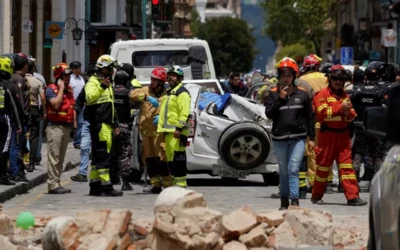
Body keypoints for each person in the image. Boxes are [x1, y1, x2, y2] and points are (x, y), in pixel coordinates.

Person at [311, 64, 367, 206]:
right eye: (335, 78)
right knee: (323, 167)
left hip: (343, 136)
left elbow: (352, 115)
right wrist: (340, 108)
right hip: (327, 136)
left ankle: (352, 197)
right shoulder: (322, 94)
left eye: (341, 79)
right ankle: (316, 196)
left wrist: (348, 113)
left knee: (347, 168)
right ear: (330, 79)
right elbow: (322, 114)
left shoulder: (344, 95)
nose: (338, 82)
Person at [265, 57, 315, 209]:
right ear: (279, 76)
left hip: (298, 138)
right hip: (279, 139)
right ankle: (284, 200)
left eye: (289, 75)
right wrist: (280, 99)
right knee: (284, 171)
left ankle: (295, 200)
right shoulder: (273, 94)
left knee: (294, 169)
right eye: (283, 75)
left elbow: (309, 117)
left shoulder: (303, 94)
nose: (286, 78)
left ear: (294, 76)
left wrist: (311, 138)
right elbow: (269, 113)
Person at [130, 67, 173, 194]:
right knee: (149, 160)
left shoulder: (168, 94)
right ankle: (155, 185)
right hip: (146, 133)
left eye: (154, 80)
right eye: (151, 79)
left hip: (160, 133)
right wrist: (146, 98)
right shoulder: (146, 91)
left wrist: (163, 117)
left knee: (162, 159)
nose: (151, 82)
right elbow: (131, 95)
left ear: (161, 82)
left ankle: (168, 185)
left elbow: (172, 111)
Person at [85, 55, 122, 197]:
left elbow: (111, 106)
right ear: (104, 68)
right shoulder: (93, 82)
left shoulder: (107, 83)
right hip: (99, 124)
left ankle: (94, 186)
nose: (112, 71)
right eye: (111, 68)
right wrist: (102, 87)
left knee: (97, 157)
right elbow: (89, 98)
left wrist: (115, 123)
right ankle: (106, 187)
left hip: (107, 124)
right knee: (103, 156)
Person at [351, 62, 387, 191]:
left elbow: (352, 107)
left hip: (360, 128)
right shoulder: (382, 91)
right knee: (377, 154)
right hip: (376, 129)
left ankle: (353, 181)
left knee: (358, 153)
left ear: (365, 76)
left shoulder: (358, 90)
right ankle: (375, 181)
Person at [299, 54, 331, 195]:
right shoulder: (327, 78)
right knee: (326, 150)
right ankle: (328, 181)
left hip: (311, 119)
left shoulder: (301, 80)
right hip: (327, 117)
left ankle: (314, 182)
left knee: (312, 152)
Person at [157, 65, 191, 187]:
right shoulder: (169, 93)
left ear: (180, 78)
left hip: (177, 133)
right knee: (171, 160)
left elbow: (184, 113)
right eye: (169, 75)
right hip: (168, 132)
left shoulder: (182, 93)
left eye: (174, 76)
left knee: (178, 159)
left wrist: (179, 129)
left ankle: (181, 185)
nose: (170, 78)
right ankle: (175, 184)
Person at [45, 63, 75, 194]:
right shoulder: (50, 89)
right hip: (55, 127)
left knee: (61, 158)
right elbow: (56, 105)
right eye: (66, 75)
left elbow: (72, 108)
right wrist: (61, 89)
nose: (68, 78)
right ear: (59, 76)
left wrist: (75, 127)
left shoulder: (70, 90)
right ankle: (52, 184)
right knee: (54, 157)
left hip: (66, 127)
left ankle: (56, 182)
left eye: (69, 75)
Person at [110, 70, 135, 190]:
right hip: (125, 127)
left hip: (111, 128)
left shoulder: (110, 91)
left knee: (112, 153)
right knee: (125, 154)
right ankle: (125, 183)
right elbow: (135, 106)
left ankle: (112, 179)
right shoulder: (129, 93)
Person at [0, 56, 22, 185]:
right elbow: (15, 107)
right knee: (4, 148)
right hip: (4, 119)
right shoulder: (9, 87)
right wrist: (19, 125)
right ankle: (3, 176)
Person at [9, 53, 30, 182]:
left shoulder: (15, 78)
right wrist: (22, 117)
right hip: (19, 118)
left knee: (18, 145)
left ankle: (17, 170)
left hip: (17, 117)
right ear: (25, 66)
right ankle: (15, 171)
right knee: (15, 145)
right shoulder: (19, 80)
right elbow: (20, 101)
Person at [25, 57, 45, 172]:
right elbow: (42, 98)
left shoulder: (18, 79)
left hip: (22, 109)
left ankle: (22, 161)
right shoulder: (38, 80)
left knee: (21, 135)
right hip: (34, 108)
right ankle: (31, 162)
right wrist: (45, 111)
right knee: (34, 136)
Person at [69, 61, 85, 149]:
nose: (80, 70)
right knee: (72, 123)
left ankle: (77, 141)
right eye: (78, 68)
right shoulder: (70, 79)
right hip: (73, 103)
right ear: (74, 69)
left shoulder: (81, 78)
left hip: (81, 103)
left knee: (80, 122)